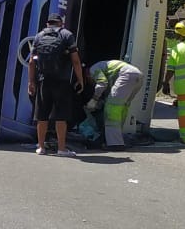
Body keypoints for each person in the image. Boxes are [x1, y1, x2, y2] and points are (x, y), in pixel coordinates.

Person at [27, 13, 84, 156]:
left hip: (43, 80)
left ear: (48, 23)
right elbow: (76, 61)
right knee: (61, 115)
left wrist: (31, 82)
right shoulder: (66, 35)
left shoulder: (39, 36)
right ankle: (61, 149)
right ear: (61, 23)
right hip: (62, 81)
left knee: (42, 115)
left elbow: (31, 62)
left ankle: (40, 147)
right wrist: (80, 79)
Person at [85, 59, 144, 150]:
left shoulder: (93, 69)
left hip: (127, 75)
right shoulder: (104, 67)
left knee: (112, 109)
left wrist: (94, 99)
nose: (92, 83)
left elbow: (102, 83)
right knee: (122, 108)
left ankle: (115, 144)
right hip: (138, 75)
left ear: (87, 75)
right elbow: (109, 90)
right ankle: (117, 139)